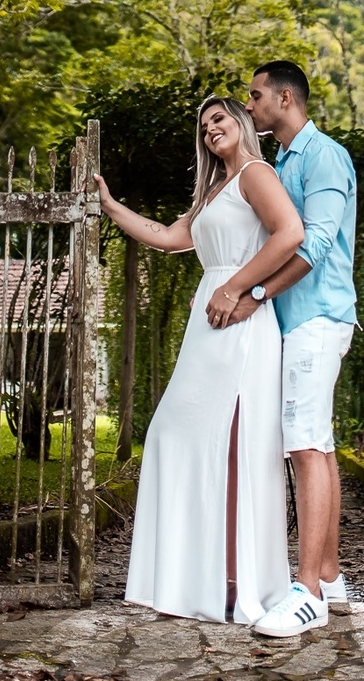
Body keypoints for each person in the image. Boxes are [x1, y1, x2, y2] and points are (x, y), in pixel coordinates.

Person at [96, 95, 305, 624]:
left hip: (241, 323)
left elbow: (291, 234)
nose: (211, 128)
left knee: (235, 450)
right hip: (207, 327)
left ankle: (237, 587)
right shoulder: (213, 192)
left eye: (220, 118)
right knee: (172, 436)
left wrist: (235, 289)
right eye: (204, 124)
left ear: (241, 122)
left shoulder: (256, 174)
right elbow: (169, 238)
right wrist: (111, 206)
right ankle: (187, 581)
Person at [221, 61, 357, 638]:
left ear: (284, 97)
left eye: (255, 96)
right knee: (316, 444)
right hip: (295, 323)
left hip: (318, 318)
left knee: (303, 445)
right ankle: (329, 578)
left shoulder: (323, 155)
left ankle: (305, 595)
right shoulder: (280, 162)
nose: (249, 106)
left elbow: (317, 242)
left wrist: (256, 293)